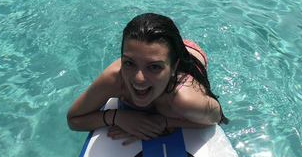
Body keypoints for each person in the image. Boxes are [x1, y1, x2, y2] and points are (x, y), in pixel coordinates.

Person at [67, 13, 228, 145]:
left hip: (191, 54)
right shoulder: (116, 78)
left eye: (154, 67)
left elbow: (215, 119)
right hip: (155, 50)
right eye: (129, 63)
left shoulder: (182, 98)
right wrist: (115, 117)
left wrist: (163, 122)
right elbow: (73, 119)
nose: (139, 78)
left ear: (173, 68)